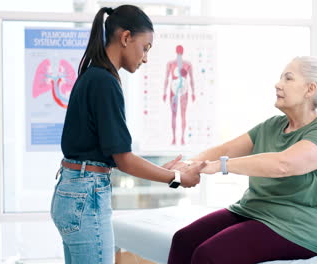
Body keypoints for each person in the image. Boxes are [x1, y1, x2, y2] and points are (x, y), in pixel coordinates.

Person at [50, 5, 204, 264]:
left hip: (72, 190)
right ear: (125, 38)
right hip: (86, 197)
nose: (145, 58)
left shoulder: (92, 75)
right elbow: (123, 158)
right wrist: (176, 177)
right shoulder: (104, 81)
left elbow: (108, 156)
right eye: (145, 48)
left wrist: (159, 170)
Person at [167, 56, 317, 264]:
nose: (278, 84)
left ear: (310, 89)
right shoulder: (272, 126)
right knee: (183, 240)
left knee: (209, 256)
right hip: (253, 211)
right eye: (280, 78)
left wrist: (220, 166)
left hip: (300, 227)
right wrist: (185, 167)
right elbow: (227, 149)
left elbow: (283, 164)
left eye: (288, 79)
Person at [163, 44, 196, 145]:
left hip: (180, 91)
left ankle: (179, 138)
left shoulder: (177, 64)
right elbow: (167, 79)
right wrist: (193, 93)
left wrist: (164, 92)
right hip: (178, 90)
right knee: (180, 115)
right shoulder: (180, 64)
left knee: (179, 115)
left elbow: (167, 79)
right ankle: (177, 138)